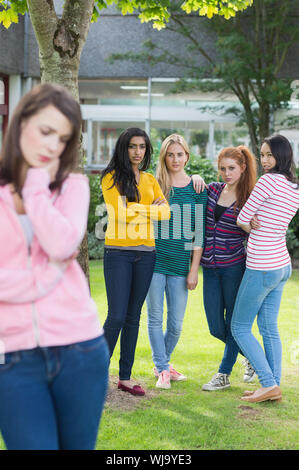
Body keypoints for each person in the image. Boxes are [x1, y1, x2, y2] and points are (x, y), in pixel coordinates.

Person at [0, 83, 109, 450]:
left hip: (80, 349)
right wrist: (47, 274)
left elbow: (62, 244)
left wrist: (34, 188)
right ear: (21, 122)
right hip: (10, 357)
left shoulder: (73, 187)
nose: (52, 146)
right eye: (46, 131)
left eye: (62, 139)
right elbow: (55, 259)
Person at [101, 128, 170, 396]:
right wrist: (147, 210)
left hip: (146, 254)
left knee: (133, 317)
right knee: (116, 316)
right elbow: (119, 215)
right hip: (118, 253)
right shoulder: (110, 178)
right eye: (132, 146)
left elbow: (165, 213)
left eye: (142, 147)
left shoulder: (151, 179)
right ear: (124, 148)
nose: (137, 152)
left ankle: (125, 378)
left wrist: (136, 208)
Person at [231, 134, 299, 403]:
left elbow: (242, 218)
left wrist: (249, 223)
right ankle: (274, 387)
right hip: (282, 265)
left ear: (282, 156)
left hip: (262, 265)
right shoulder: (294, 187)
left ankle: (268, 383)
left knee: (239, 327)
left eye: (270, 155)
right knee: (269, 327)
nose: (266, 160)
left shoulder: (267, 181)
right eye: (263, 155)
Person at [145, 134, 207, 389]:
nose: (175, 159)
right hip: (154, 262)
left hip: (181, 265)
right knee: (154, 318)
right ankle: (162, 369)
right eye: (170, 154)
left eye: (179, 154)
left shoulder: (196, 186)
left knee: (176, 324)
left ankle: (162, 363)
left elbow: (199, 232)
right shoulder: (153, 184)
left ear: (187, 156)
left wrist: (194, 270)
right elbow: (142, 219)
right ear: (164, 157)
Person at [200, 146, 257, 391]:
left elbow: (257, 228)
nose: (226, 173)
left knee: (234, 324)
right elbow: (191, 190)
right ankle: (252, 356)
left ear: (242, 168)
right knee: (215, 326)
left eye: (231, 168)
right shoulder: (213, 190)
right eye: (222, 168)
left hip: (234, 267)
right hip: (209, 268)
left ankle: (223, 374)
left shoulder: (249, 198)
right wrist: (195, 178)